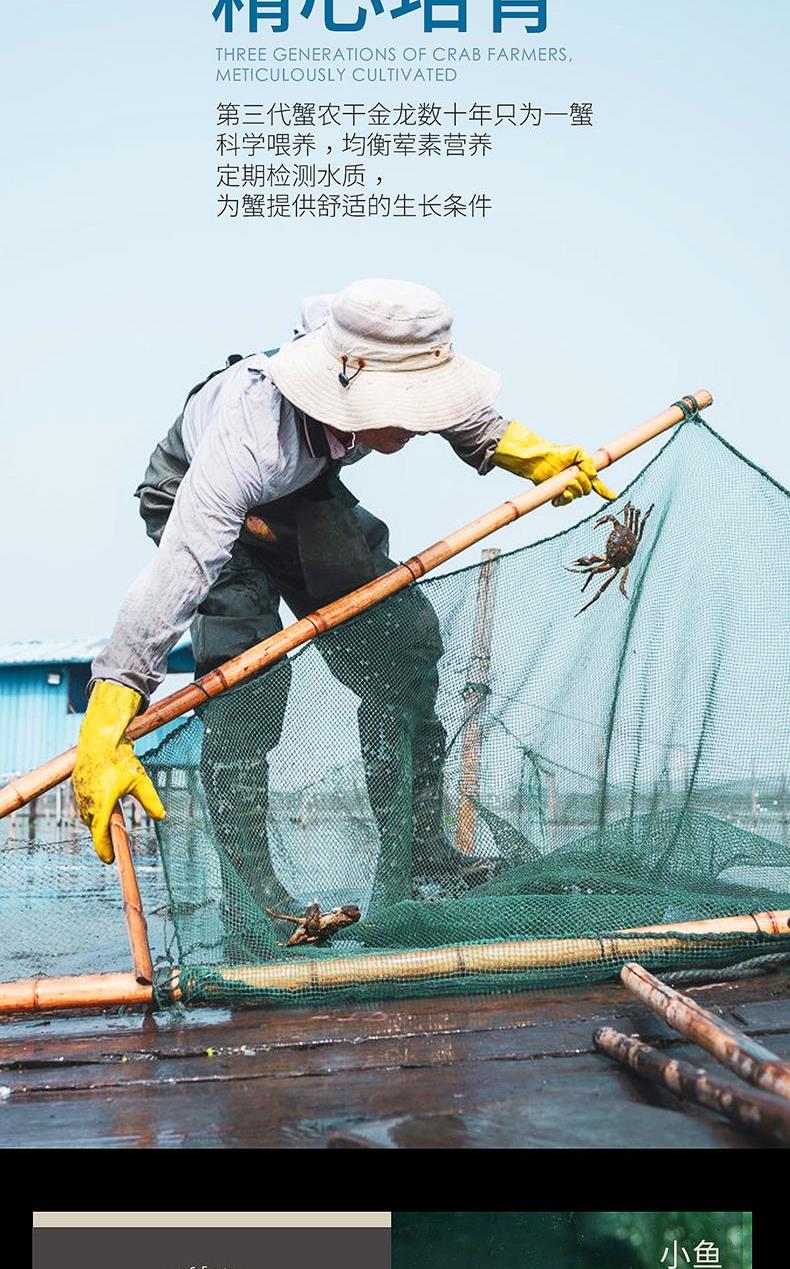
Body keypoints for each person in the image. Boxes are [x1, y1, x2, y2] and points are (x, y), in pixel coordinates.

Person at [72, 279, 614, 920]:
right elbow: (180, 570)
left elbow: (445, 402)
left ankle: (421, 851)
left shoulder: (372, 340)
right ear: (348, 391)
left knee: (401, 641)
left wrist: (520, 450)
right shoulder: (252, 438)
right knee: (247, 681)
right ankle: (256, 901)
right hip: (194, 492)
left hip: (300, 495)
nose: (422, 420)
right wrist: (109, 710)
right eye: (407, 406)